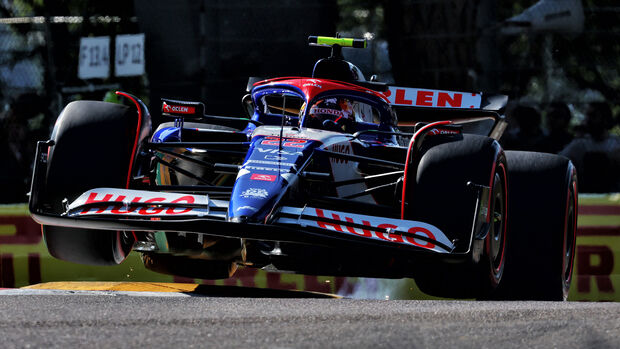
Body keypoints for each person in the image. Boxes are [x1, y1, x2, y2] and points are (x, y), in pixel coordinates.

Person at [560, 102, 620, 192]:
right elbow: (560, 161)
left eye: (593, 116)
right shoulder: (580, 144)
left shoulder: (616, 144)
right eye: (587, 116)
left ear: (605, 118)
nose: (588, 120)